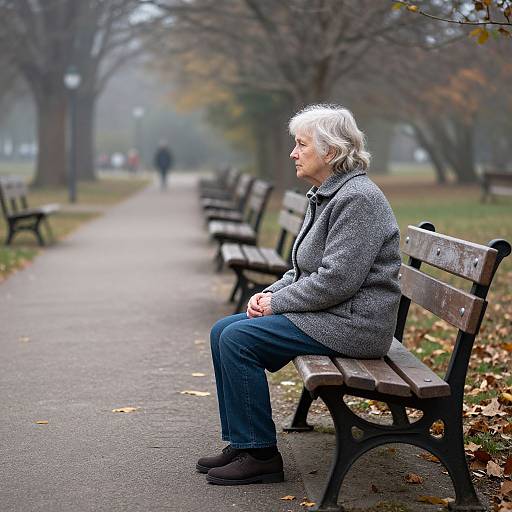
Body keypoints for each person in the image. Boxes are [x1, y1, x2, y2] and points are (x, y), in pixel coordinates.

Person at [197, 104, 402, 486]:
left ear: (330, 151)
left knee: (239, 339)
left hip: (356, 324)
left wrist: (277, 303)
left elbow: (336, 281)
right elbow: (301, 269)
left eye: (301, 144)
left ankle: (260, 455)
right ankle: (243, 443)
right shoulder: (325, 193)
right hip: (333, 314)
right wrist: (268, 293)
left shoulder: (358, 200)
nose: (293, 153)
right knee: (222, 330)